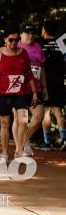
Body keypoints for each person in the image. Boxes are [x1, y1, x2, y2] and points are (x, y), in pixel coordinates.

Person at [0, 27, 38, 161]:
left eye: (16, 40)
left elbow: (28, 73)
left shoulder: (23, 53)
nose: (14, 43)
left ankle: (19, 150)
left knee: (23, 120)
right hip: (3, 93)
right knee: (5, 124)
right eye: (11, 40)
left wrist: (34, 93)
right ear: (5, 40)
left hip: (20, 93)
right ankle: (4, 152)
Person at [18, 24, 48, 156]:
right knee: (21, 120)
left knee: (39, 116)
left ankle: (24, 141)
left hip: (37, 87)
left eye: (32, 33)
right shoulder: (17, 47)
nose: (30, 35)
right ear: (21, 34)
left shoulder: (38, 47)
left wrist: (45, 86)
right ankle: (20, 148)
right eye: (26, 33)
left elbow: (41, 68)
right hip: (22, 88)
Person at [40, 21, 66, 150]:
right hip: (59, 81)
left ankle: (47, 142)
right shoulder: (62, 43)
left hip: (44, 82)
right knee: (58, 111)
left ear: (44, 30)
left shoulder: (40, 45)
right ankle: (64, 141)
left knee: (45, 112)